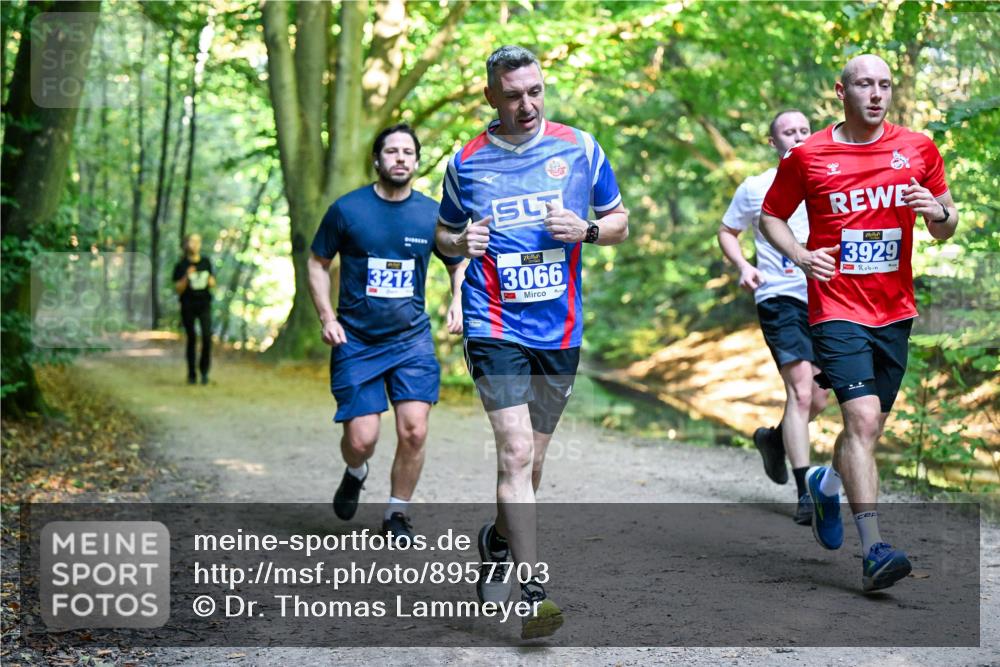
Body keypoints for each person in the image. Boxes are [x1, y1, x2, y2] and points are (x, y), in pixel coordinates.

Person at [435, 45, 629, 638]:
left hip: (558, 327)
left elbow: (619, 223)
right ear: (491, 96)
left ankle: (496, 540)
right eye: (514, 94)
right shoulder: (465, 162)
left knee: (533, 460)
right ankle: (533, 589)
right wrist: (458, 244)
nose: (527, 104)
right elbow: (443, 235)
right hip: (494, 321)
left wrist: (588, 230)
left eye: (535, 90)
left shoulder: (580, 148)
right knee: (515, 452)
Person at [760, 54, 958, 591]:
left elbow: (947, 223)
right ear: (841, 91)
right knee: (863, 422)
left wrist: (937, 213)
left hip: (894, 308)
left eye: (885, 85)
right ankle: (874, 551)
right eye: (865, 84)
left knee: (865, 432)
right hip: (835, 305)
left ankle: (826, 481)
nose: (876, 94)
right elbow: (771, 214)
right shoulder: (809, 155)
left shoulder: (917, 148)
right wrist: (801, 255)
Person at [308, 124, 465, 546]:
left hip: (411, 339)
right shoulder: (347, 210)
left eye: (408, 152)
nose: (400, 158)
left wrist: (458, 299)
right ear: (377, 160)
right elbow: (317, 262)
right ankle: (356, 471)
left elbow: (457, 261)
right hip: (355, 341)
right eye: (391, 151)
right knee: (362, 440)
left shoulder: (431, 214)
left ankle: (397, 513)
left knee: (414, 429)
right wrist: (327, 317)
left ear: (416, 161)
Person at [717, 110, 829, 524]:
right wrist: (744, 267)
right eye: (788, 132)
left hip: (827, 296)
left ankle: (774, 439)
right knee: (801, 392)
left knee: (819, 397)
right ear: (773, 142)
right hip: (779, 296)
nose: (797, 137)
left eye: (804, 130)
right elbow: (728, 231)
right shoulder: (755, 187)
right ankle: (805, 494)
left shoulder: (829, 178)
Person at [172, 233, 215, 385]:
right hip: (188, 305)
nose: (194, 245)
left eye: (197, 241)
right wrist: (186, 276)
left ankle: (204, 372)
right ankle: (191, 373)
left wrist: (210, 281)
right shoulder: (181, 265)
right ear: (186, 244)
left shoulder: (206, 262)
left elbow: (213, 283)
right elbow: (177, 288)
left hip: (204, 304)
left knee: (206, 337)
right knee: (191, 339)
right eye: (192, 241)